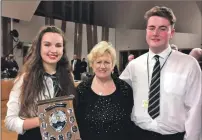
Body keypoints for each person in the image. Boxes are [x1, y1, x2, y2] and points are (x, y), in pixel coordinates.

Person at [120, 6, 201, 140]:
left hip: (173, 136)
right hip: (137, 134)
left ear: (172, 32)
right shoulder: (134, 66)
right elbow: (116, 93)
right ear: (146, 31)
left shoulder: (189, 65)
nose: (155, 33)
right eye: (151, 28)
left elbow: (196, 109)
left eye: (162, 28)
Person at [5, 26, 76, 140]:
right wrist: (41, 120)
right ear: (38, 48)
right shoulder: (25, 79)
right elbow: (10, 121)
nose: (53, 50)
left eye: (58, 45)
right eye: (47, 44)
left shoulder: (69, 77)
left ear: (63, 49)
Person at [75, 41, 135, 140]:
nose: (102, 66)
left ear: (113, 65)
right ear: (92, 64)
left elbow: (129, 124)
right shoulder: (81, 90)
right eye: (98, 62)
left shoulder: (125, 89)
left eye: (107, 62)